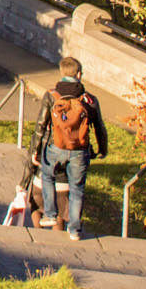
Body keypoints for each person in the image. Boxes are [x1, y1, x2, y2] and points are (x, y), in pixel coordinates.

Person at [33, 57, 109, 241]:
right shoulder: (89, 100)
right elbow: (99, 127)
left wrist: (35, 150)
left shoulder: (52, 95)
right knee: (77, 188)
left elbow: (41, 125)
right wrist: (102, 149)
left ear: (62, 73)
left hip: (55, 146)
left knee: (47, 175)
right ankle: (74, 230)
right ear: (79, 74)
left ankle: (50, 215)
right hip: (79, 151)